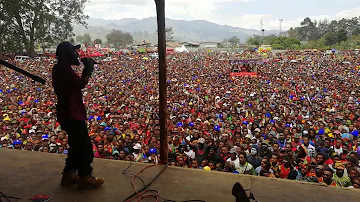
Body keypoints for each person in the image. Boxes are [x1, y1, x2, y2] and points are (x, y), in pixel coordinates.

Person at [52, 42, 104, 189]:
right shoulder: (63, 69)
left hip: (68, 111)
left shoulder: (61, 68)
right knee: (84, 146)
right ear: (67, 54)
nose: (77, 54)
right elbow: (81, 83)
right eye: (74, 52)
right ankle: (85, 176)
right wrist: (88, 69)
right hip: (71, 112)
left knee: (75, 145)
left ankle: (69, 174)